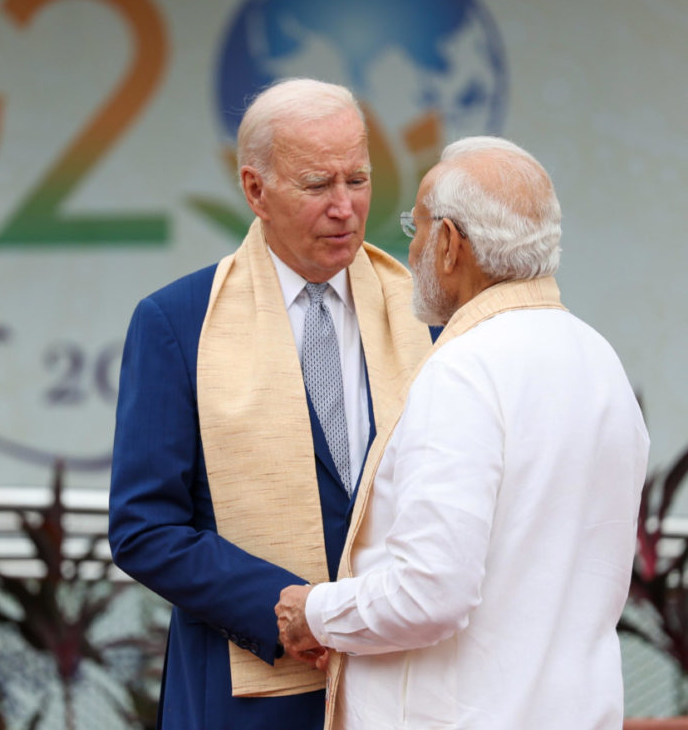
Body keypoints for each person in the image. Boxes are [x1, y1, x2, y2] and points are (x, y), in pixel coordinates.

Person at [275, 136, 650, 729]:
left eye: (417, 225)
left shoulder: (465, 369)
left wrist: (315, 611)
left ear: (449, 245)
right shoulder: (599, 361)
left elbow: (430, 593)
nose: (412, 244)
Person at [108, 78, 434, 729]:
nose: (344, 207)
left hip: (405, 686)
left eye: (358, 180)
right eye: (317, 185)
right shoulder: (177, 322)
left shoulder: (424, 316)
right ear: (255, 190)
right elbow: (144, 526)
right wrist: (283, 609)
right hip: (247, 695)